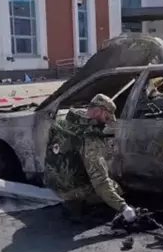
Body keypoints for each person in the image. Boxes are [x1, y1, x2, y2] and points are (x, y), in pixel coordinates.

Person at [43, 93, 136, 223]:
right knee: (114, 186)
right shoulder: (90, 138)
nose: (107, 121)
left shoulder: (62, 121)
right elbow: (100, 181)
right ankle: (77, 207)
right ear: (98, 111)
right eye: (107, 116)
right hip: (70, 190)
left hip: (52, 182)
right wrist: (123, 207)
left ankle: (71, 199)